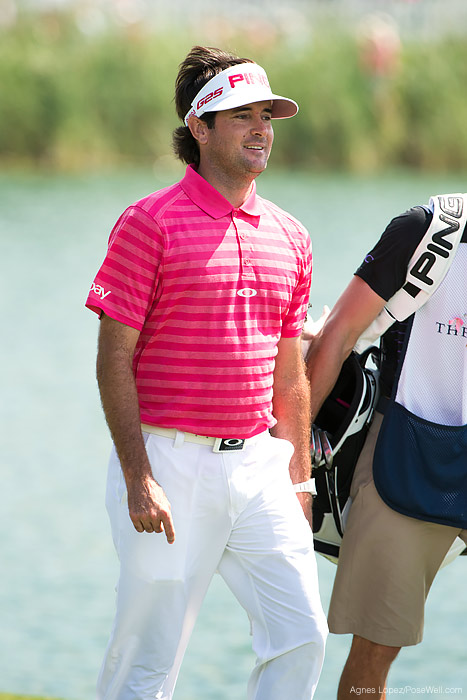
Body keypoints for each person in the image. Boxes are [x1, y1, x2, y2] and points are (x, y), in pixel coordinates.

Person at [86, 45, 327, 700]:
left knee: (302, 633)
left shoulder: (291, 236)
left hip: (258, 466)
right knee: (148, 662)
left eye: (266, 116)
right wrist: (139, 478)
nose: (259, 129)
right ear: (198, 127)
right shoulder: (148, 223)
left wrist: (299, 483)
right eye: (240, 115)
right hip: (168, 464)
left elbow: (289, 374)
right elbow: (114, 358)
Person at [305, 193, 467, 699]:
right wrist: (290, 463)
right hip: (409, 456)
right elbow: (338, 334)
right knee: (376, 650)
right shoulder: (432, 227)